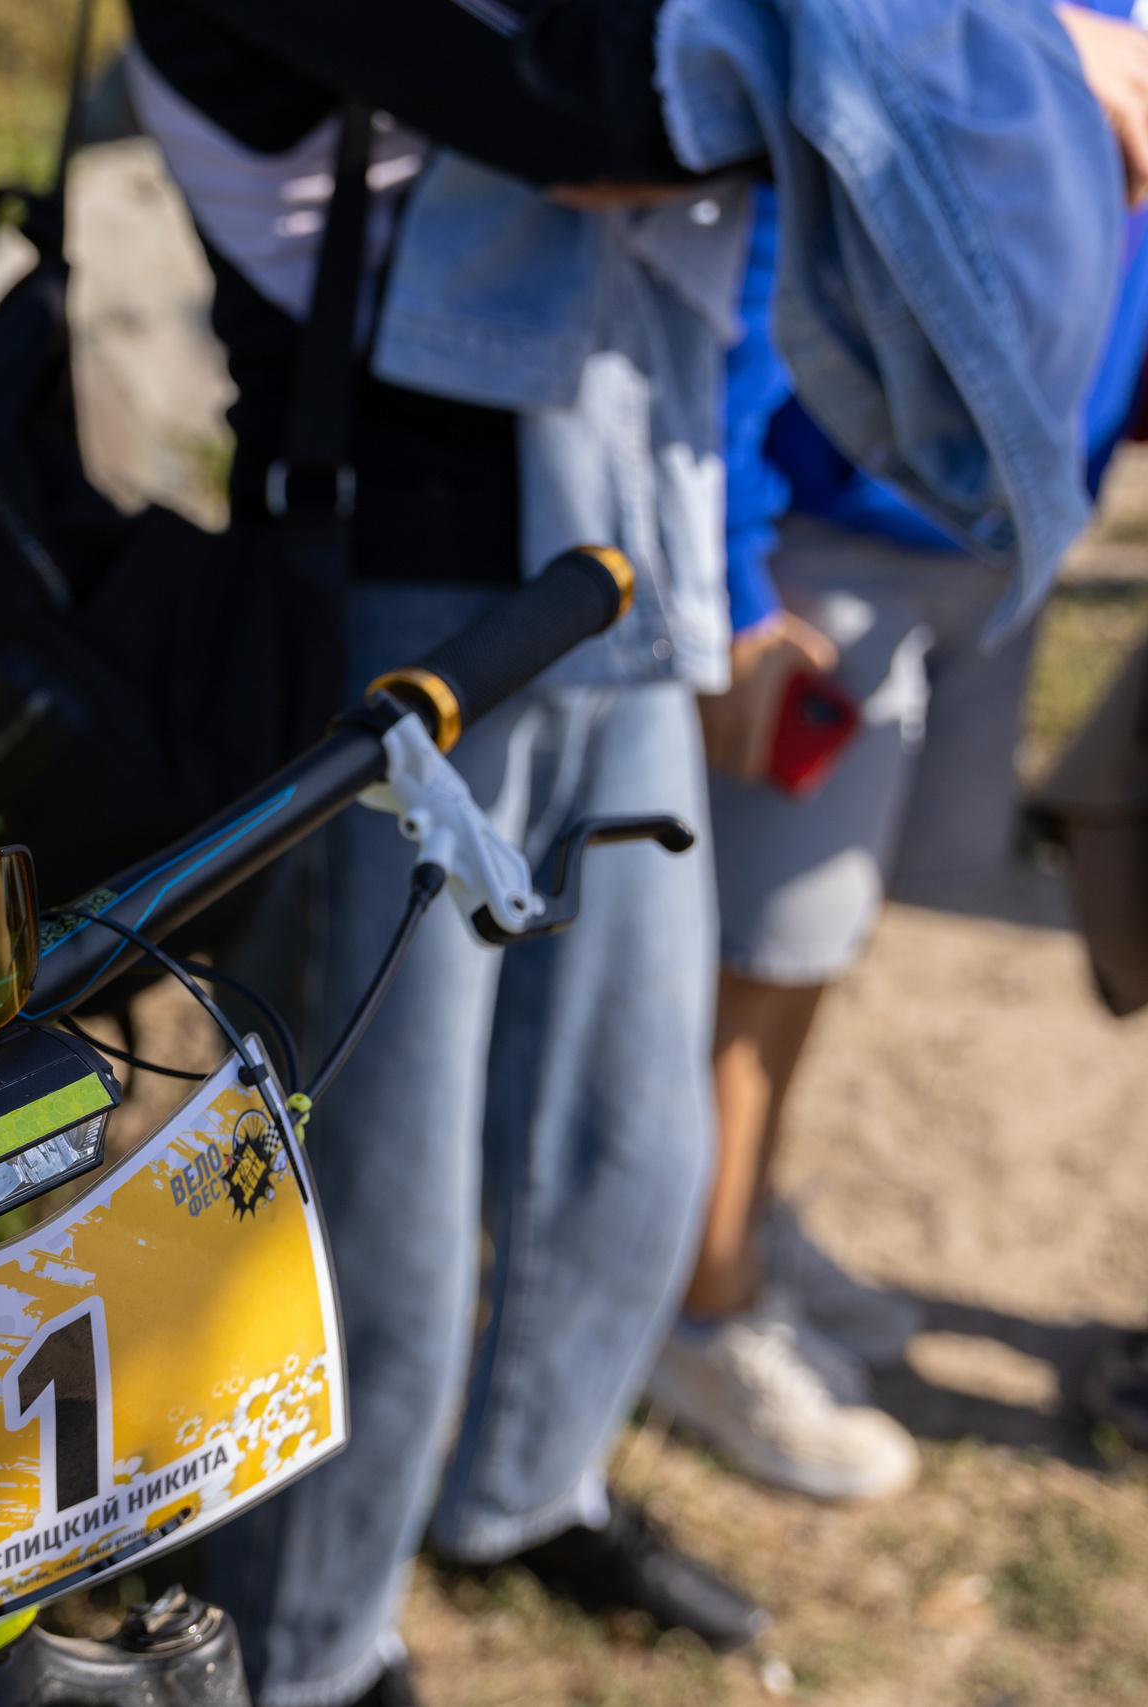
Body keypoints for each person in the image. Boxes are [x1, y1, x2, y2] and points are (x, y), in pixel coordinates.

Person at [122, 2, 1132, 1703]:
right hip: (402, 582)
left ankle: (525, 1489)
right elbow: (599, 109)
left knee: (634, 1118)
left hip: (616, 523)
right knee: (385, 1186)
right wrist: (1018, 47)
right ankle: (309, 1645)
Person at [652, 2, 1148, 1503]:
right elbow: (756, 238)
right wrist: (732, 574)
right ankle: (700, 1309)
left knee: (825, 934)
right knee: (760, 952)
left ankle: (738, 1217)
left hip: (990, 539)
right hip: (827, 543)